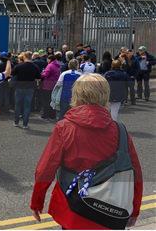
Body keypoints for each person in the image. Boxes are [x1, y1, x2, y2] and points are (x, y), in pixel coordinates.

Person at [30, 74, 142, 229]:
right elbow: (135, 172)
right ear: (105, 95)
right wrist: (134, 209)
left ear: (76, 94)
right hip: (111, 211)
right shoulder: (120, 130)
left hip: (74, 209)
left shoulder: (64, 127)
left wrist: (37, 201)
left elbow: (45, 169)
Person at [12, 52, 41, 129]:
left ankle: (16, 122)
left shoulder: (18, 66)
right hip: (30, 88)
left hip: (19, 87)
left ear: (24, 56)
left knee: (17, 105)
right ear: (31, 57)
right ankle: (25, 124)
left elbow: (12, 74)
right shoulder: (35, 66)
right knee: (27, 106)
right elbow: (38, 77)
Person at [40, 54, 61, 120]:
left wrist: (42, 73)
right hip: (54, 84)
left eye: (47, 59)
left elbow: (45, 74)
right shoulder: (57, 66)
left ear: (49, 59)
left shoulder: (50, 65)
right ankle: (52, 115)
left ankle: (45, 115)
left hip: (47, 85)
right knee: (52, 100)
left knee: (46, 100)